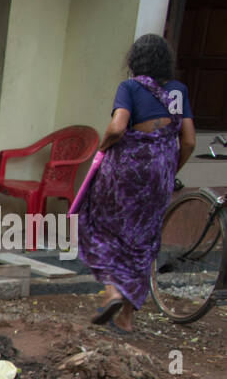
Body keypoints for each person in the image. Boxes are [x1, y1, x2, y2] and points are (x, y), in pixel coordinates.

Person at [81, 34, 197, 333]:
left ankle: (113, 291)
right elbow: (189, 141)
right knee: (144, 240)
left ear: (134, 61)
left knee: (100, 225)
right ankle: (127, 317)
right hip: (159, 175)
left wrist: (103, 147)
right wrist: (169, 172)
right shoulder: (178, 91)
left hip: (124, 172)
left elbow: (118, 127)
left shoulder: (130, 87)